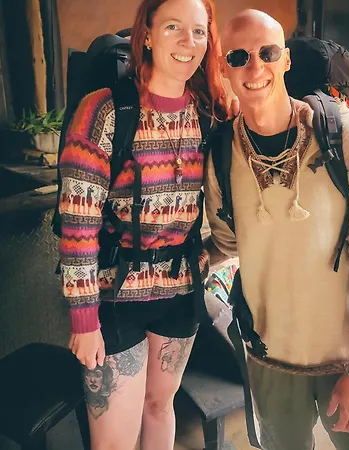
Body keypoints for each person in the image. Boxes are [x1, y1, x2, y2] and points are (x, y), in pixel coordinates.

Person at [204, 9, 349, 450]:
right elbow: (228, 243)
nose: (254, 68)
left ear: (286, 61)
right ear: (222, 68)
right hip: (271, 358)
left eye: (267, 53)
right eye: (238, 57)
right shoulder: (220, 154)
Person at [58, 0, 227, 448]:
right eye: (173, 27)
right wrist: (83, 319)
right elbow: (78, 225)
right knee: (114, 440)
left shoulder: (209, 112)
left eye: (198, 31)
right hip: (115, 296)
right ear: (147, 34)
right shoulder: (105, 111)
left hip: (181, 291)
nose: (187, 41)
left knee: (159, 405)